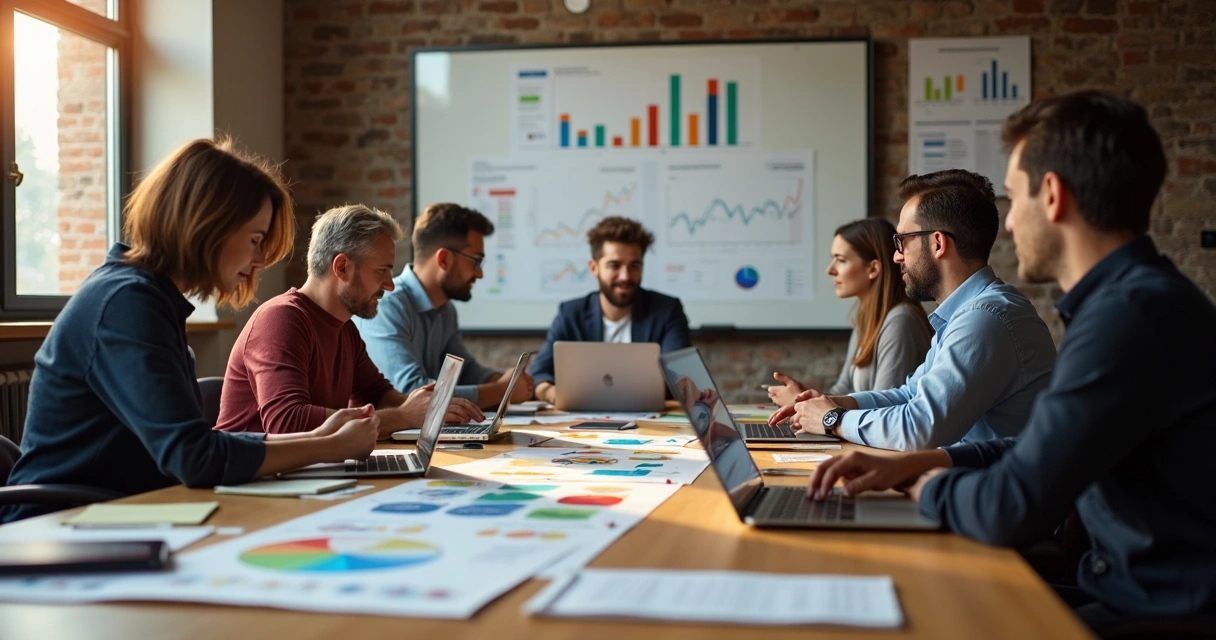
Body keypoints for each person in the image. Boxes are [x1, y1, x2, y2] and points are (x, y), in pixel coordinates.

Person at [806, 91, 1216, 628]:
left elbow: (1009, 505)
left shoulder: (1127, 317)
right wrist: (926, 461)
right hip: (1128, 593)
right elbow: (1036, 446)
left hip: (1158, 613)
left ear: (1053, 196)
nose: (1011, 224)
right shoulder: (1129, 303)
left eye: (1015, 198)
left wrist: (923, 484)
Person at [0, 139, 380, 524]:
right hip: (58, 524)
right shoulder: (126, 303)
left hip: (120, 513)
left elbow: (192, 448)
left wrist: (321, 437)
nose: (260, 259)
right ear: (208, 226)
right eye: (255, 240)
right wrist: (327, 446)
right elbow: (193, 457)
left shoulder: (149, 298)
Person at [769, 169, 1056, 450]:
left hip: (988, 480)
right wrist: (832, 404)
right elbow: (909, 394)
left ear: (938, 243)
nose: (896, 256)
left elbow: (920, 428)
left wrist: (832, 419)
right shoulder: (962, 314)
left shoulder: (984, 318)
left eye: (902, 241)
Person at [214, 204, 482, 439]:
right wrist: (403, 416)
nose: (390, 285)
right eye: (381, 271)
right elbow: (287, 423)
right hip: (254, 477)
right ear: (342, 267)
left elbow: (377, 394)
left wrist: (431, 409)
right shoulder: (281, 319)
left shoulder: (346, 329)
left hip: (309, 471)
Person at [354, 203, 532, 410]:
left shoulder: (445, 309)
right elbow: (409, 391)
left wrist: (504, 381)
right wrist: (501, 390)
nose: (479, 273)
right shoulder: (388, 304)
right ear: (444, 259)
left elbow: (465, 370)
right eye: (476, 261)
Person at [766, 218, 933, 406]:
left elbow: (884, 408)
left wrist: (801, 402)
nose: (830, 270)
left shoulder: (900, 321)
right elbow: (843, 390)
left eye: (841, 260)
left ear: (873, 269)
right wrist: (804, 398)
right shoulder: (867, 320)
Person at [530, 216, 691, 404]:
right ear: (594, 268)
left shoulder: (667, 310)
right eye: (614, 265)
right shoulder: (571, 314)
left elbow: (677, 377)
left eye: (634, 266)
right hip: (583, 417)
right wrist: (553, 394)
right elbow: (538, 375)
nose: (625, 276)